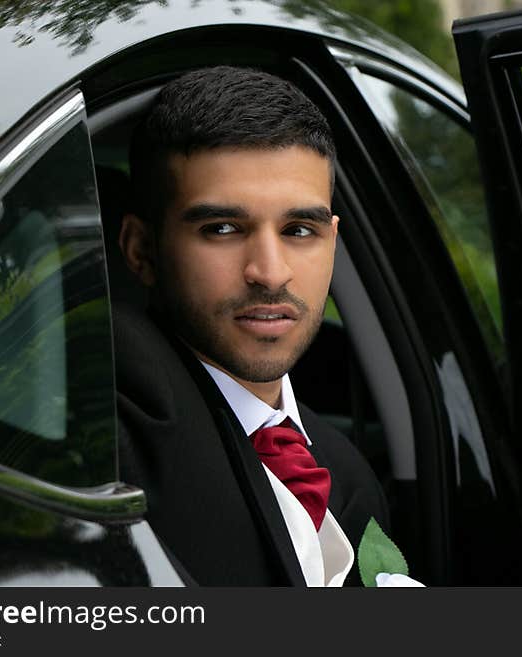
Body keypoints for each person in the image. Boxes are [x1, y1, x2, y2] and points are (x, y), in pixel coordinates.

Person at [115, 66, 402, 587]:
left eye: (299, 230)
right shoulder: (112, 446)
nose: (270, 272)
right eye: (221, 229)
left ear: (332, 242)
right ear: (141, 250)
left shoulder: (346, 469)